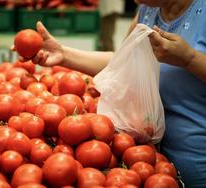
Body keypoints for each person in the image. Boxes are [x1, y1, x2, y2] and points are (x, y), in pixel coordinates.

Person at [18, 0, 206, 187]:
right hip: (151, 163)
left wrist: (190, 59)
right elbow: (121, 66)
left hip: (196, 165)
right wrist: (64, 55)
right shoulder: (147, 9)